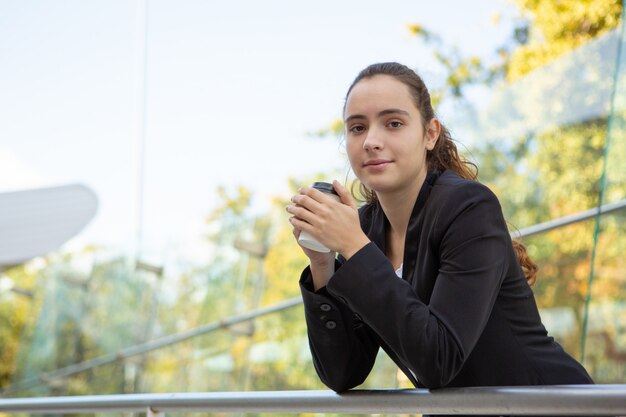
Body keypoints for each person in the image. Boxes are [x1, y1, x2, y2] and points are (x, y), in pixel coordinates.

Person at [285, 62, 593, 393]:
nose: (371, 141)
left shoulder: (469, 207)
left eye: (394, 123)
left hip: (546, 409)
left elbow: (438, 360)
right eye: (357, 128)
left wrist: (354, 247)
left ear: (430, 133)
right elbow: (342, 372)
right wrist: (323, 264)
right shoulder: (364, 229)